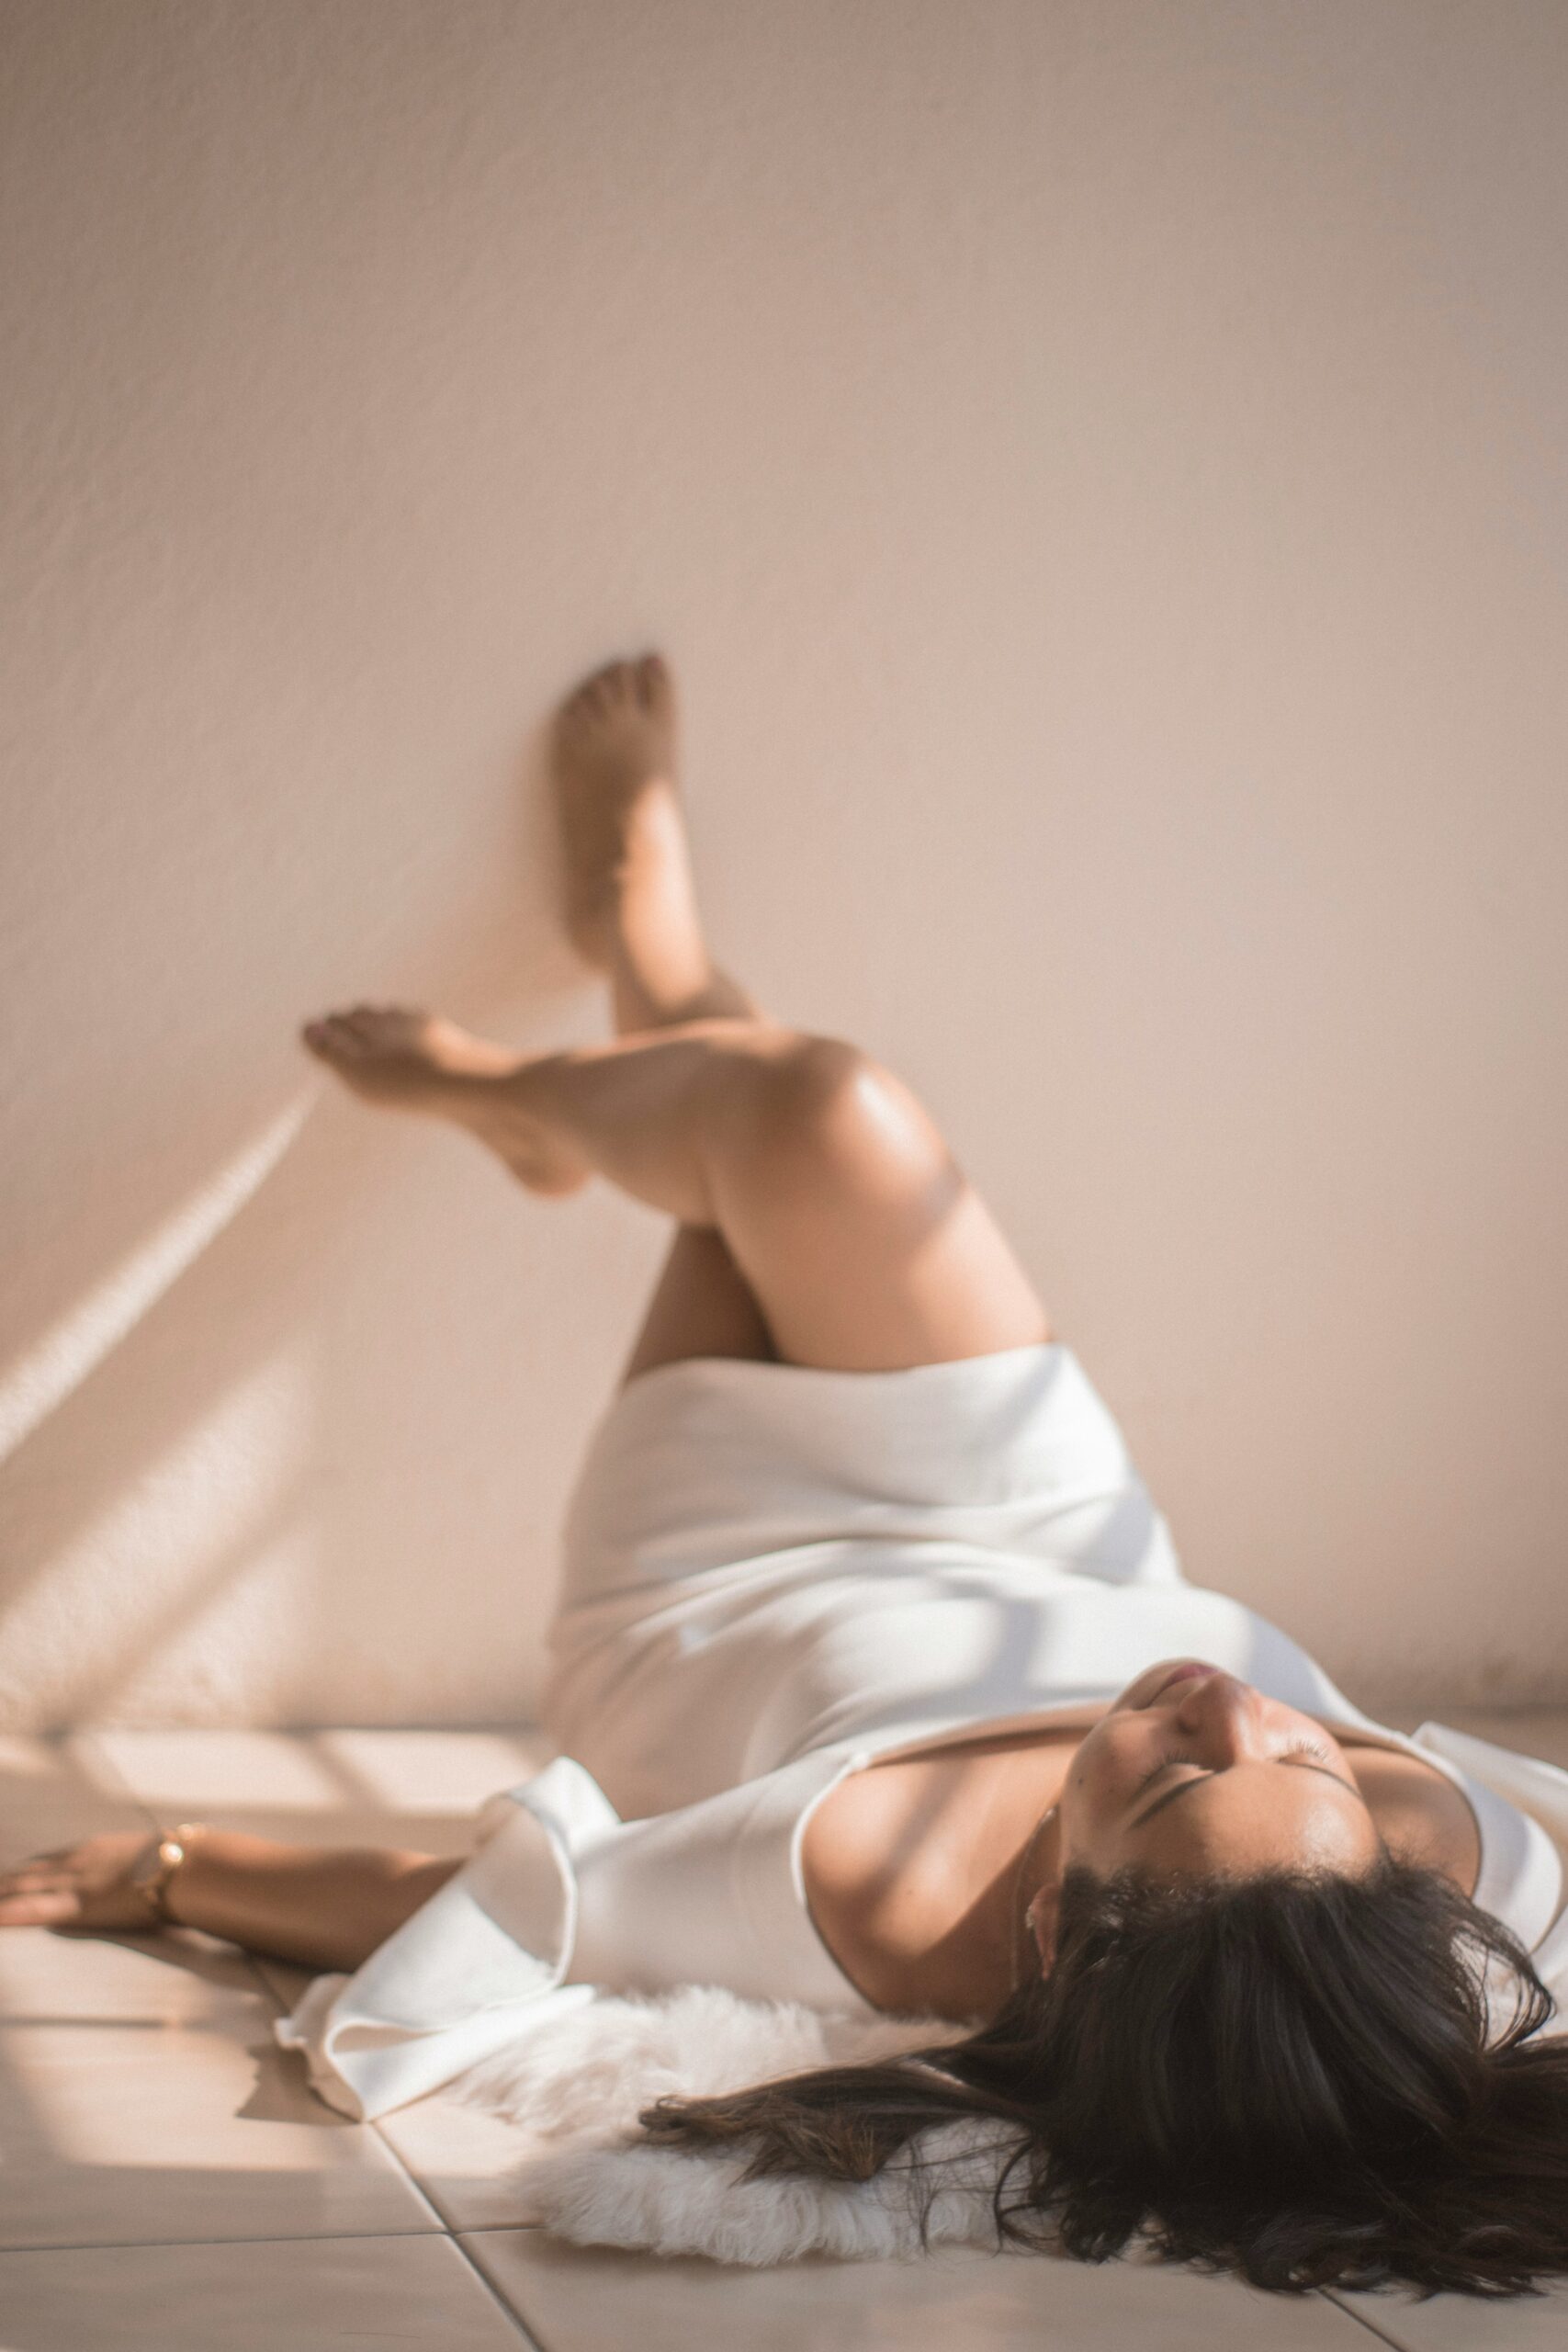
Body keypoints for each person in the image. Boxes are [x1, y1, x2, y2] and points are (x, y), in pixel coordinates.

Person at [6, 653, 1568, 2296]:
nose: (1236, 1708)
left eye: (1177, 1776)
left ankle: (601, 1014)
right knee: (813, 1120)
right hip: (1046, 1522)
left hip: (725, 1574)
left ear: (1052, 1934)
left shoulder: (839, 1886)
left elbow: (489, 1904)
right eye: (1310, 1766)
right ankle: (599, 1032)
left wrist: (167, 1865)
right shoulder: (1465, 1872)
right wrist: (1251, 1791)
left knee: (770, 1125)